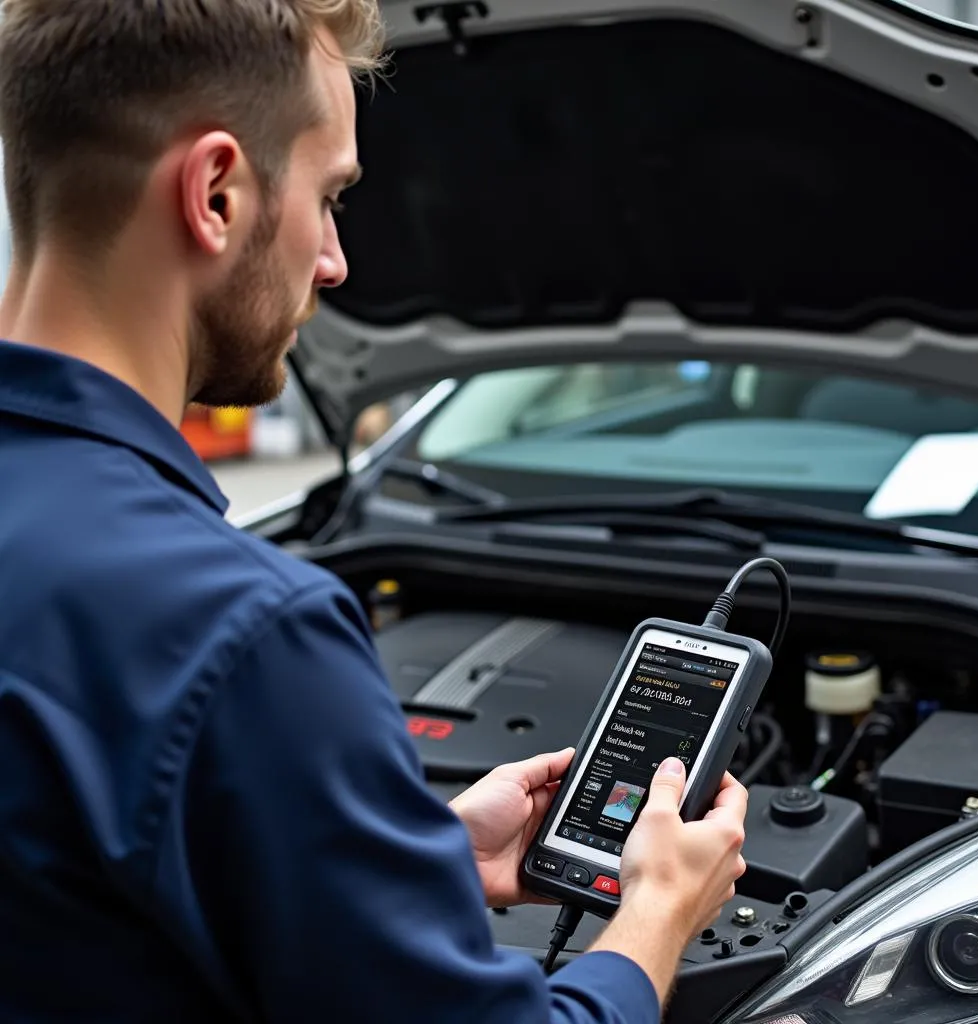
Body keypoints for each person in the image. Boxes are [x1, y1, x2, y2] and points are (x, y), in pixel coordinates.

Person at [0, 2, 748, 1022]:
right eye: (330, 195)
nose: (335, 261)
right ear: (215, 192)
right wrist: (657, 912)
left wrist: (406, 857)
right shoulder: (242, 634)